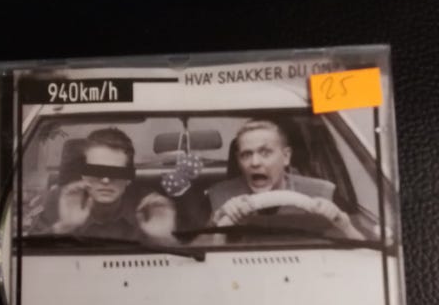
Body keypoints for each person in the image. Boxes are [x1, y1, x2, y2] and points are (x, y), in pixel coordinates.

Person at [207, 119, 363, 239]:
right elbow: (196, 255)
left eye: (265, 152)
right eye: (246, 155)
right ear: (238, 160)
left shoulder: (323, 192)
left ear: (286, 156)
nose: (254, 163)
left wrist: (343, 224)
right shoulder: (218, 196)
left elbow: (363, 252)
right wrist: (216, 221)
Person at [29, 128, 177, 244]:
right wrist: (64, 227)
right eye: (96, 171)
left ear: (129, 178)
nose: (105, 180)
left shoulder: (149, 206)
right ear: (83, 174)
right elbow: (27, 255)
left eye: (116, 172)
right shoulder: (58, 200)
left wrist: (164, 238)